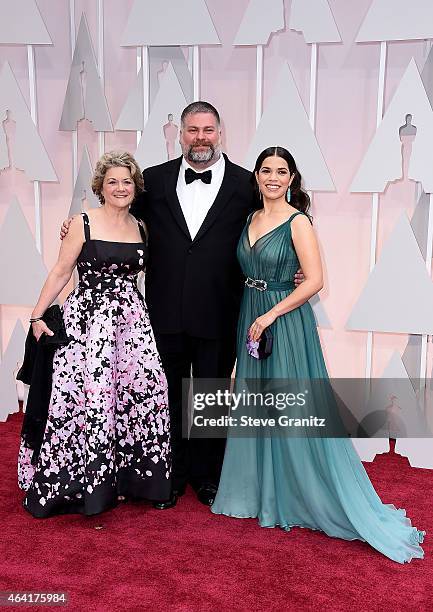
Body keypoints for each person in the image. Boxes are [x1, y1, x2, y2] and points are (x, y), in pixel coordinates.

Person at [211, 146, 425, 564]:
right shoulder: (250, 219)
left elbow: (315, 281)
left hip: (284, 324)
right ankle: (258, 494)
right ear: (256, 176)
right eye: (266, 170)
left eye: (281, 172)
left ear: (292, 179)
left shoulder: (299, 222)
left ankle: (303, 495)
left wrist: (270, 314)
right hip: (250, 320)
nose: (273, 178)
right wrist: (254, 318)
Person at [19, 151, 171, 518]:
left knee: (144, 392)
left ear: (136, 187)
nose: (120, 187)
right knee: (87, 400)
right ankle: (80, 484)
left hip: (131, 326)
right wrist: (36, 315)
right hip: (87, 324)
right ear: (101, 187)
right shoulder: (82, 223)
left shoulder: (141, 226)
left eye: (127, 181)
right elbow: (60, 270)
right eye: (112, 181)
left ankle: (133, 480)